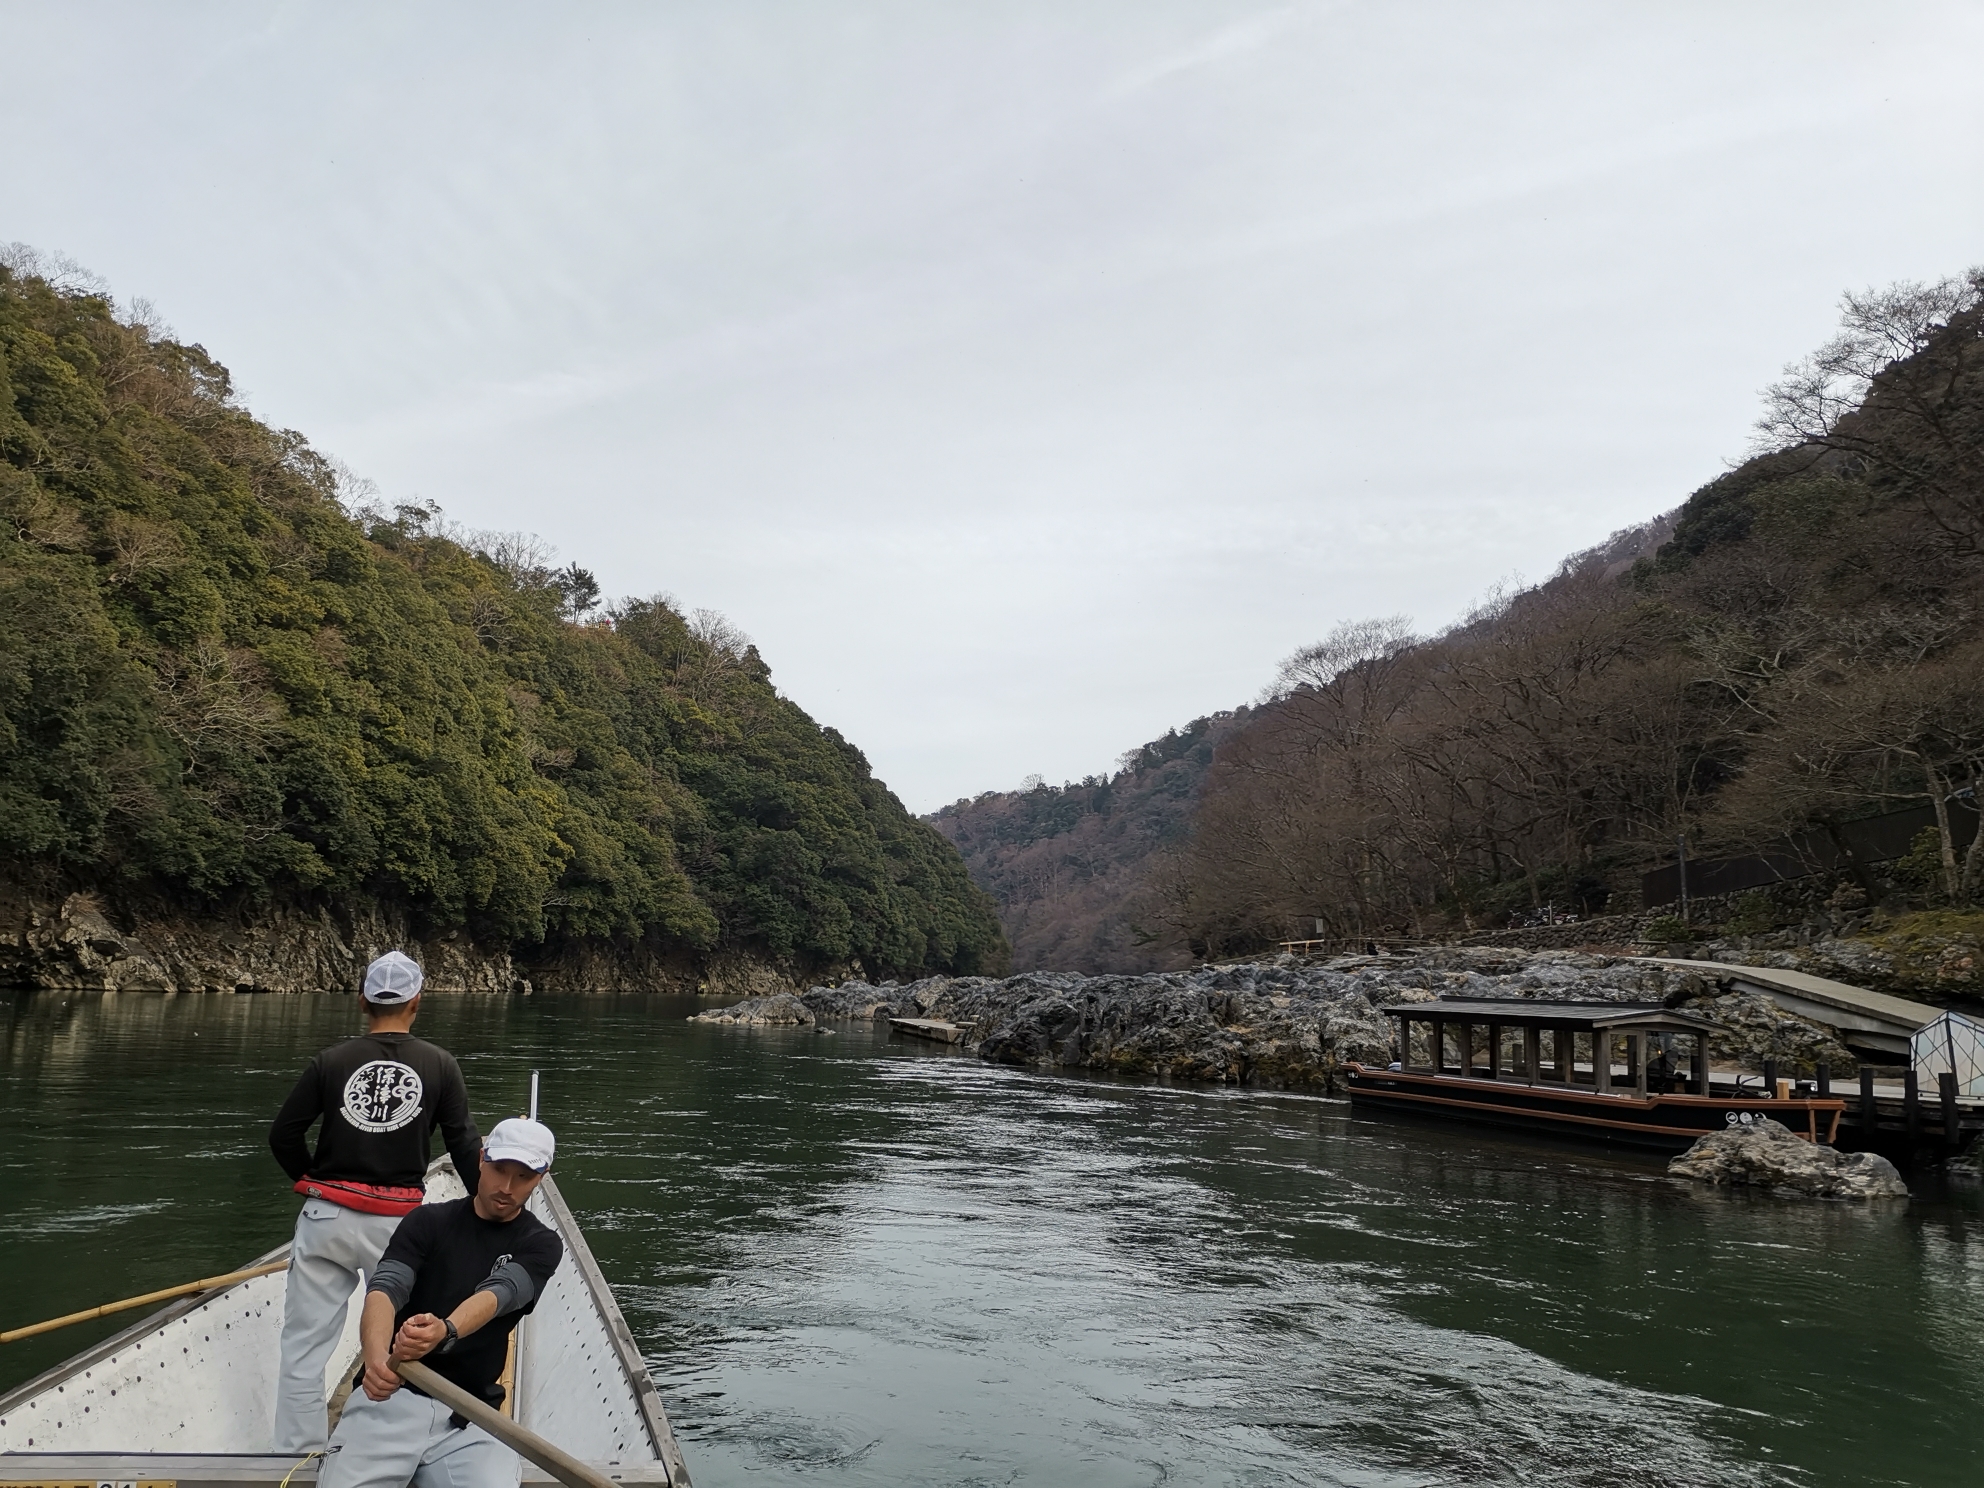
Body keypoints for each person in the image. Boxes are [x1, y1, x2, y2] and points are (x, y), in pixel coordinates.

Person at [268, 951, 483, 1455]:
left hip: (326, 1219)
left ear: (363, 1000)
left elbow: (283, 1136)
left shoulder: (331, 1061)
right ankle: (385, 1449)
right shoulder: (439, 1064)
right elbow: (465, 1147)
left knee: (303, 1347)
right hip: (399, 1226)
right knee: (405, 1341)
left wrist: (312, 1182)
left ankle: (293, 1456)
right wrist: (483, 1212)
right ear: (417, 1002)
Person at [321, 1118, 564, 1488]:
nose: (507, 1187)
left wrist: (446, 1330)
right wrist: (374, 1362)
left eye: (524, 1177)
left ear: (542, 1177)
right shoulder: (427, 1221)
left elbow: (499, 1293)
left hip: (470, 1415)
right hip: (391, 1396)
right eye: (499, 1169)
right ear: (481, 1159)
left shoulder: (542, 1243)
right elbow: (386, 1288)